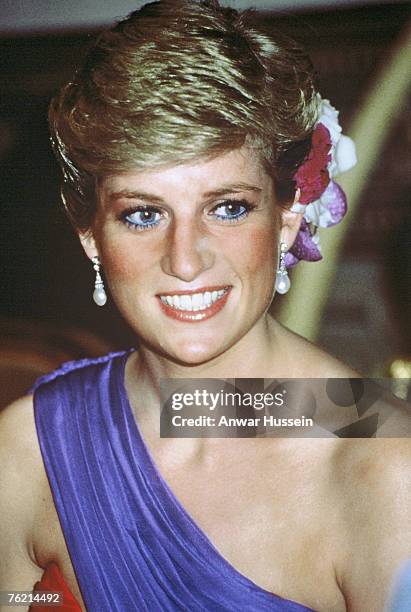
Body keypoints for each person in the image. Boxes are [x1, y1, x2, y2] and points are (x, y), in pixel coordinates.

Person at [0, 1, 409, 611]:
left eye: (227, 207)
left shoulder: (384, 463)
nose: (185, 260)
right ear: (92, 237)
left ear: (285, 218)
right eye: (142, 214)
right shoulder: (33, 445)